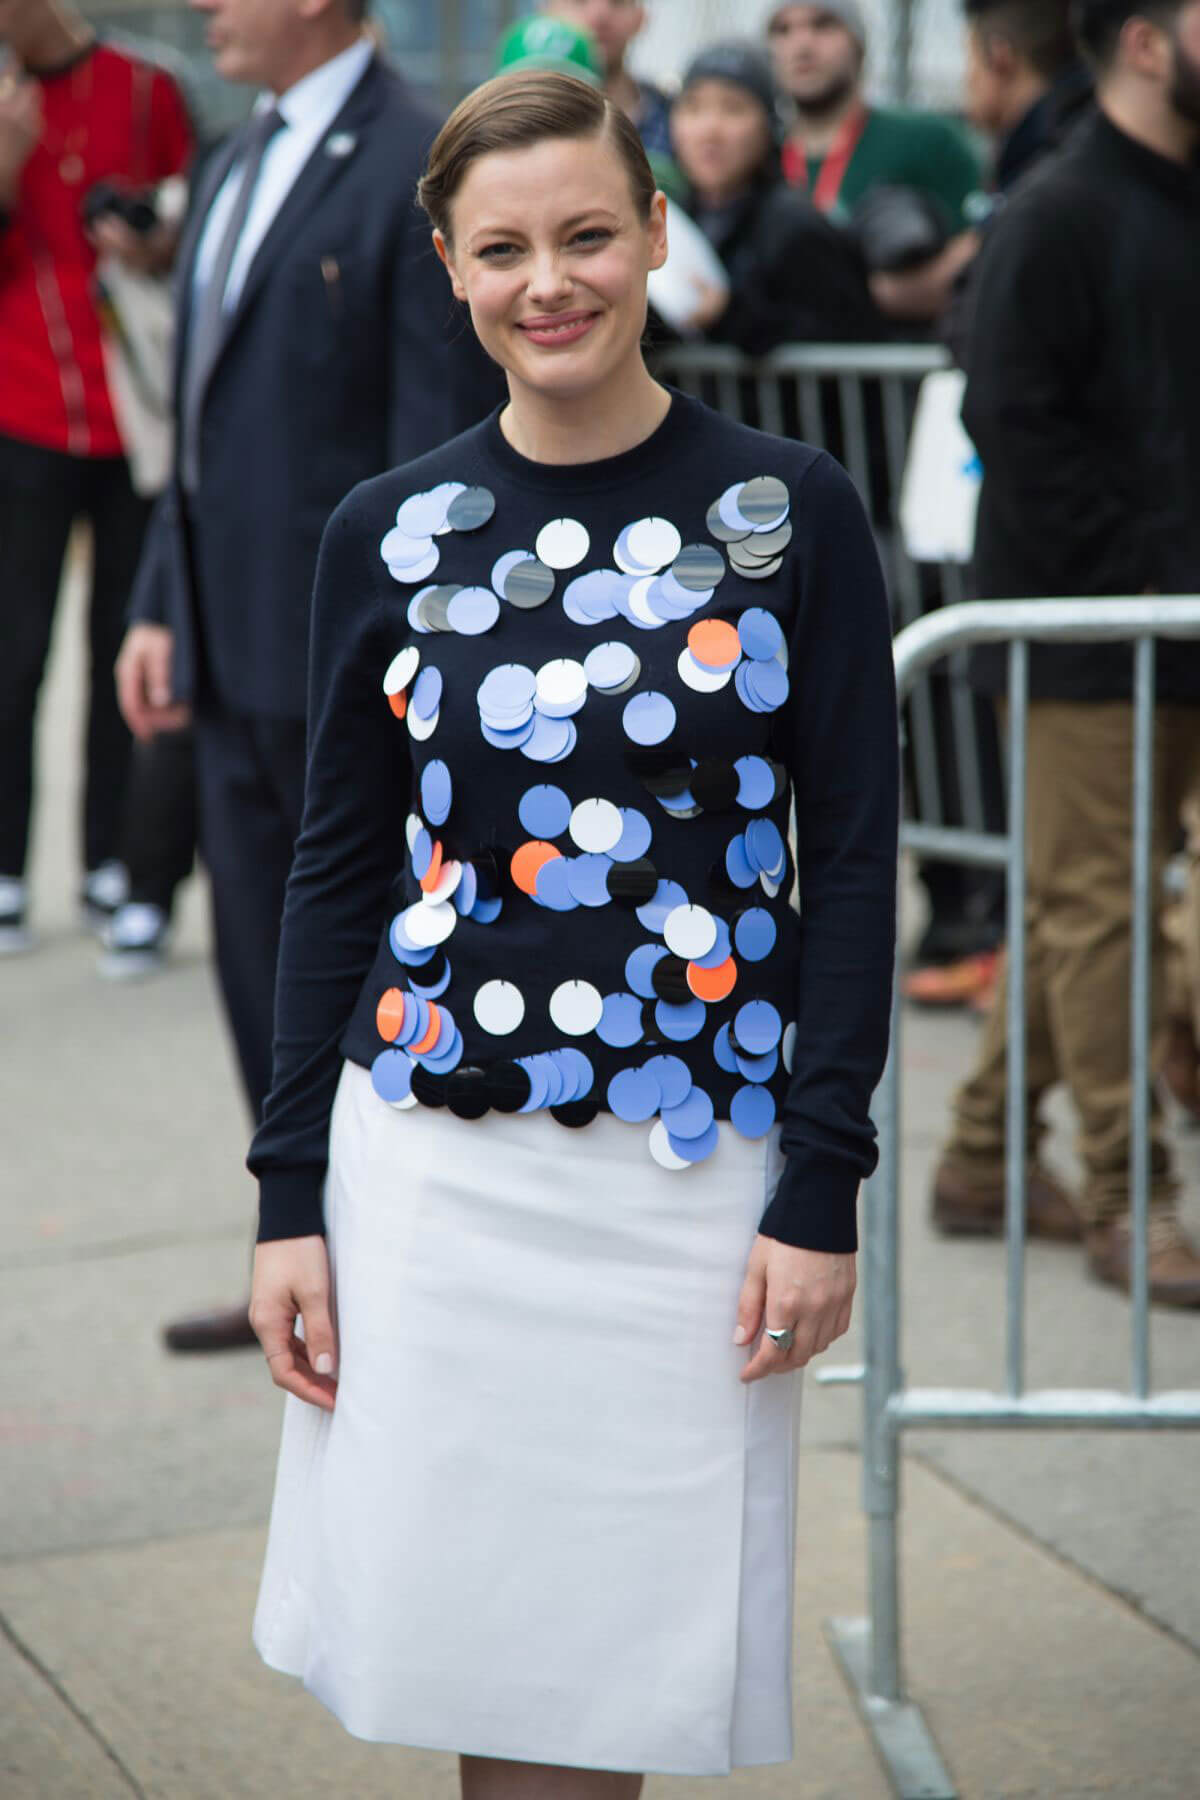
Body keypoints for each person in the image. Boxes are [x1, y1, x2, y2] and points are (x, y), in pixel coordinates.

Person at [246, 68, 898, 1792]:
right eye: (506, 247)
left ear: (657, 233)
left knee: (623, 1671)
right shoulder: (387, 532)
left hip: (693, 1201)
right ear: (452, 268)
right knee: (488, 1661)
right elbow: (335, 871)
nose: (554, 281)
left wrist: (826, 1177)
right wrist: (287, 1198)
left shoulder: (792, 515)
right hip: (439, 1188)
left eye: (591, 234)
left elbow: (850, 863)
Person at [115, 0, 495, 1352]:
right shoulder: (228, 160)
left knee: (358, 966)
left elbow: (427, 444)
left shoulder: (412, 159)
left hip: (342, 663)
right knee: (257, 970)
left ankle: (391, 1268)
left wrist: (400, 659)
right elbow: (199, 414)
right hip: (223, 644)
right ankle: (303, 1244)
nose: (209, 6)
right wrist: (161, 603)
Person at [930, 0, 1200, 1306]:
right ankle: (1128, 1193)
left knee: (1074, 912)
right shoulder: (1055, 210)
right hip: (1087, 633)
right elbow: (1011, 422)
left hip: (1173, 620)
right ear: (1147, 42)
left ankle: (980, 1158)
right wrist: (1136, 576)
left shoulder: (1175, 197)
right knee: (1096, 910)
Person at [0, 0, 192, 952]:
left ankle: (112, 862)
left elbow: (189, 229)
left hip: (134, 414)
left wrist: (149, 239)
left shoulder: (147, 86)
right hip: (19, 410)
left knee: (125, 645)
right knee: (14, 652)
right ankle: (5, 869)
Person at [760, 0, 985, 325]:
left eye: (823, 24)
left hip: (908, 363)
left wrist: (884, 291)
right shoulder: (759, 157)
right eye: (783, 30)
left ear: (858, 44)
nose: (802, 44)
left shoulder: (927, 140)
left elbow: (984, 241)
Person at [668, 40, 882, 350]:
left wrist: (730, 315)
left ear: (769, 126)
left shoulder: (795, 226)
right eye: (693, 107)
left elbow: (843, 338)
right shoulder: (671, 220)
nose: (709, 130)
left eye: (733, 108)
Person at [543, 0, 674, 157]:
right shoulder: (521, 114)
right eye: (580, 1)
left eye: (617, 2)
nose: (599, 16)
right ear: (547, 11)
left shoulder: (675, 123)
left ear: (640, 17)